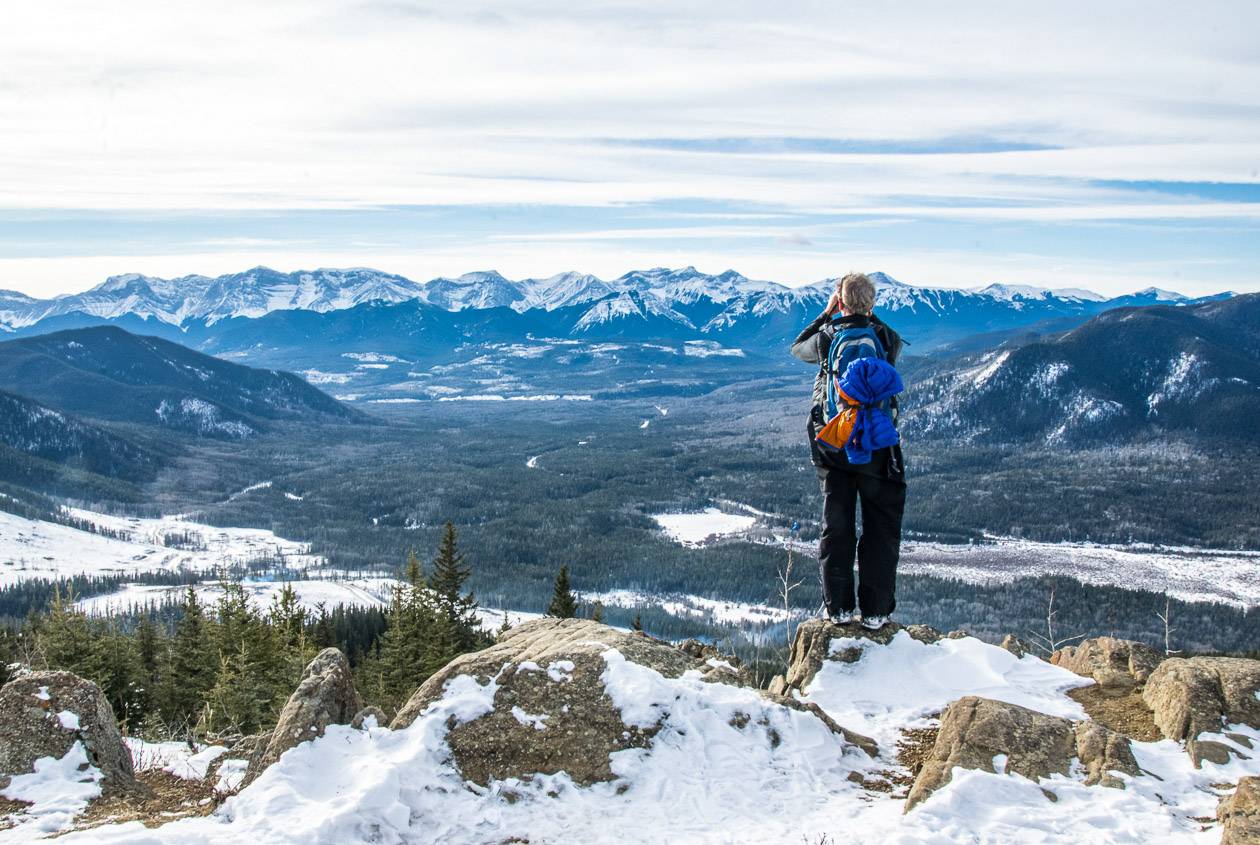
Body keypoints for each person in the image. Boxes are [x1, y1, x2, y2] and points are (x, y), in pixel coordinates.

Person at [790, 272, 906, 630]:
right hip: (877, 444)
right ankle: (876, 611)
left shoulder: (826, 337)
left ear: (839, 301)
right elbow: (896, 345)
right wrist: (866, 313)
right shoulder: (884, 337)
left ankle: (838, 608)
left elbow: (799, 348)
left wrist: (828, 313)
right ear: (871, 305)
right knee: (880, 526)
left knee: (836, 524)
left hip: (834, 442)